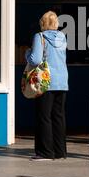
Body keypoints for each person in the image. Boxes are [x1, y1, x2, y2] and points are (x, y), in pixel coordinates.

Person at [25, 11, 68, 161]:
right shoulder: (62, 37)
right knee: (58, 116)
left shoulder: (40, 36)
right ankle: (60, 151)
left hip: (45, 81)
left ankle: (45, 152)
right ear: (56, 23)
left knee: (44, 117)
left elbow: (35, 60)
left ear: (42, 23)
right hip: (62, 81)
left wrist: (27, 53)